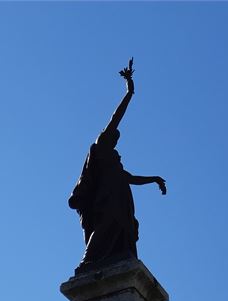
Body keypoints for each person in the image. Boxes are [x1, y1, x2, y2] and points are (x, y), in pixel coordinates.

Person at [69, 59, 166, 272]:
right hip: (107, 200)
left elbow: (131, 178)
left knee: (126, 232)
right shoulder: (101, 148)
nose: (115, 139)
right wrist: (129, 93)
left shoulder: (115, 164)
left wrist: (154, 180)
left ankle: (119, 261)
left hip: (122, 202)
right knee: (105, 227)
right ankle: (88, 261)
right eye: (113, 136)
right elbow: (116, 118)